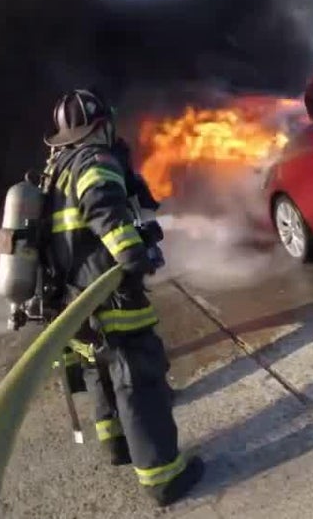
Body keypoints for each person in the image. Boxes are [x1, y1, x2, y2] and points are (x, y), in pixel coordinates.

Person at [41, 89, 203, 507]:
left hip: (73, 299)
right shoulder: (94, 163)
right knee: (138, 377)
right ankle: (163, 477)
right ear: (99, 125)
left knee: (100, 369)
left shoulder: (55, 170)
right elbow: (106, 214)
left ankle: (117, 447)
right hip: (107, 293)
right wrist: (135, 256)